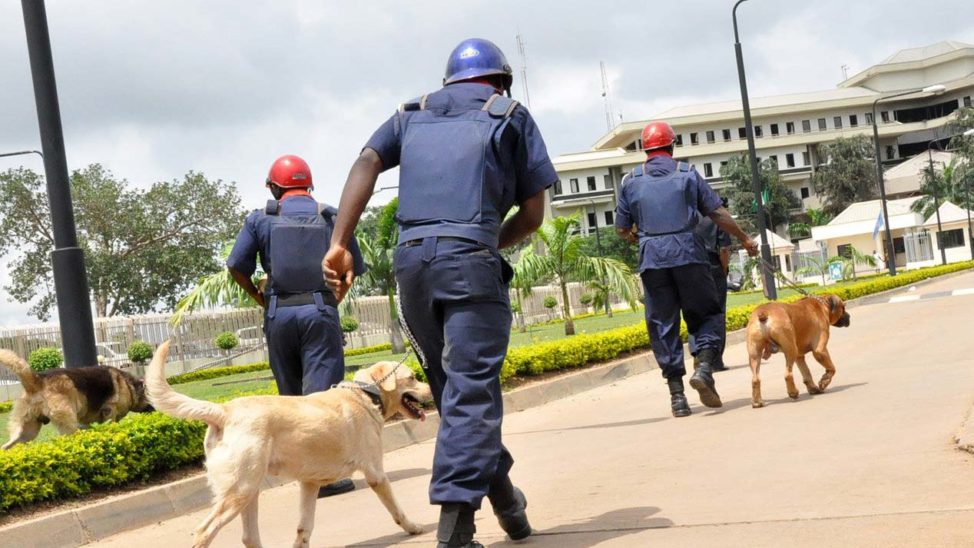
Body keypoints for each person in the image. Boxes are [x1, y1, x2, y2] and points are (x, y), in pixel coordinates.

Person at [323, 38, 556, 548]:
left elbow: (365, 161)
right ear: (500, 80)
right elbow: (534, 214)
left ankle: (509, 505)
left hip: (412, 267)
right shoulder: (511, 115)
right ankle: (455, 531)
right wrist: (479, 243)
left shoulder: (411, 114)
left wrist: (340, 242)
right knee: (471, 395)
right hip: (470, 264)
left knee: (457, 395)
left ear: (448, 81)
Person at [226, 154, 366, 497]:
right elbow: (351, 269)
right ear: (309, 185)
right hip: (319, 311)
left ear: (274, 186)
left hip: (279, 315)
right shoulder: (331, 217)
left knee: (290, 399)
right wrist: (334, 300)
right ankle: (325, 477)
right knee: (322, 398)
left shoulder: (260, 219)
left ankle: (305, 471)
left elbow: (236, 266)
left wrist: (261, 300)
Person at [616, 121, 758, 418]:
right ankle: (704, 367)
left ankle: (677, 397)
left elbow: (621, 229)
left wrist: (636, 237)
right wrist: (744, 238)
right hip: (689, 255)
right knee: (706, 312)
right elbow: (716, 212)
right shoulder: (687, 174)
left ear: (645, 149)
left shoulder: (630, 181)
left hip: (653, 260)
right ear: (672, 145)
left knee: (662, 325)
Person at [689, 196, 733, 372]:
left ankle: (698, 355)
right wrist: (724, 269)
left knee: (693, 311)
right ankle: (715, 360)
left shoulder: (690, 216)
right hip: (713, 266)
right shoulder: (719, 219)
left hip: (691, 267)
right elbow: (724, 249)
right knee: (717, 312)